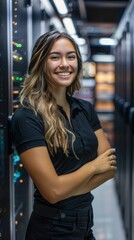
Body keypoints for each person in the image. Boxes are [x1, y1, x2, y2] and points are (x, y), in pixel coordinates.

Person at [11, 29, 117, 240]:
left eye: (71, 56)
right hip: (52, 229)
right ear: (41, 63)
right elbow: (51, 191)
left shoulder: (84, 109)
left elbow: (110, 169)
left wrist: (63, 188)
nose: (65, 64)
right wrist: (93, 167)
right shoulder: (27, 117)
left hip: (85, 225)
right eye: (54, 57)